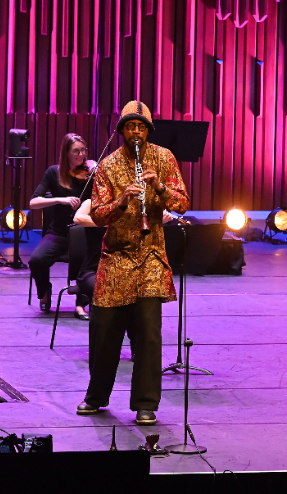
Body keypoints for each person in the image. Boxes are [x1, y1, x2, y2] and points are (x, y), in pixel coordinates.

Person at [75, 100, 190, 426]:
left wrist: (159, 187)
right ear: (122, 130)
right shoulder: (109, 166)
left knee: (149, 336)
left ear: (148, 130)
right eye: (130, 126)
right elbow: (97, 214)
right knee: (103, 332)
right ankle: (96, 396)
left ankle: (145, 404)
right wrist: (122, 200)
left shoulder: (164, 157)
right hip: (116, 260)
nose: (136, 132)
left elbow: (182, 201)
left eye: (141, 127)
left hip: (152, 257)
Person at [28, 134, 98, 314]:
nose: (81, 155)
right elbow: (33, 202)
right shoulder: (54, 172)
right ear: (66, 153)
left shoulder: (91, 174)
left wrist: (98, 171)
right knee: (37, 260)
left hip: (85, 233)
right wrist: (60, 200)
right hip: (59, 233)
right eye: (76, 151)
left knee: (88, 262)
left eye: (84, 150)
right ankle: (44, 291)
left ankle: (81, 303)